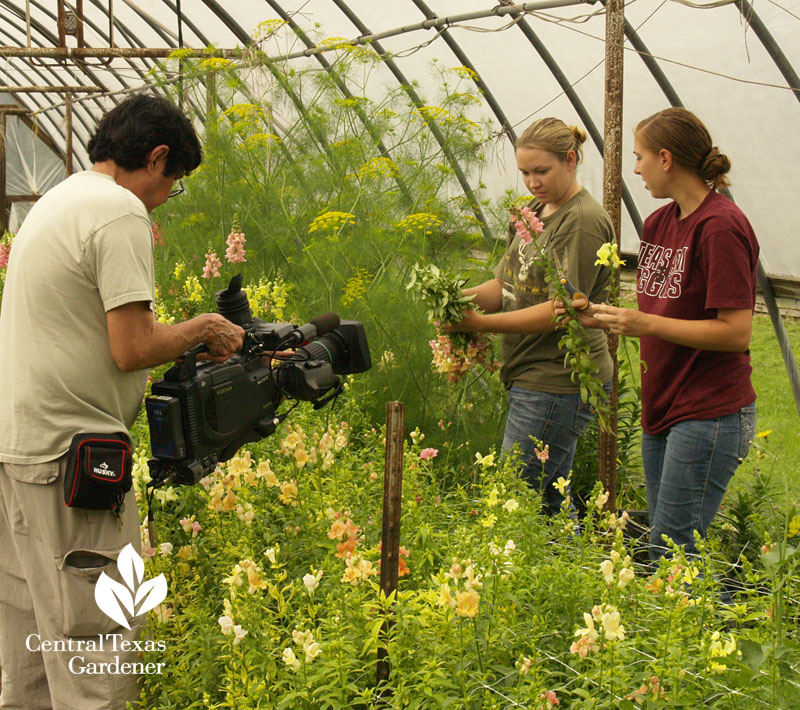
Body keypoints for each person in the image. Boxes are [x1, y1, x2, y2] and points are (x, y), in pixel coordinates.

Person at [0, 94, 244, 710]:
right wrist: (204, 329)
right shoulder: (118, 212)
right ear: (157, 157)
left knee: (31, 651)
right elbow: (132, 346)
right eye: (175, 183)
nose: (165, 197)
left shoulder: (60, 199)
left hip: (17, 452)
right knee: (97, 650)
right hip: (69, 463)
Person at [585, 108, 759, 561]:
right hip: (663, 404)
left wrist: (644, 325)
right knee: (671, 547)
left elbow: (737, 332)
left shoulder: (720, 226)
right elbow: (663, 307)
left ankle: (713, 628)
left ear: (666, 158)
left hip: (709, 411)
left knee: (672, 551)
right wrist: (604, 316)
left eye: (640, 157)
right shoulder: (659, 225)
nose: (636, 169)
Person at [447, 117, 614, 515]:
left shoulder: (582, 220)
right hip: (531, 375)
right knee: (548, 502)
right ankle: (575, 573)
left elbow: (563, 311)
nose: (533, 182)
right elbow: (506, 287)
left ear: (571, 160)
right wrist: (454, 300)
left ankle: (554, 571)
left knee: (515, 499)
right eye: (525, 172)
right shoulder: (535, 211)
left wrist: (479, 324)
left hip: (559, 378)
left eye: (542, 171)